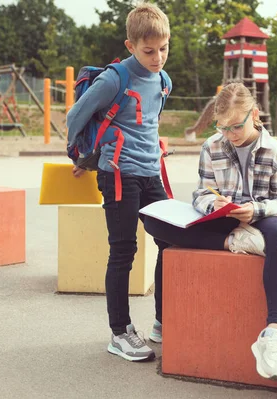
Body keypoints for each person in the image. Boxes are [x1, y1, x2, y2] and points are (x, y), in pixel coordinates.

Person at [143, 82, 277, 382]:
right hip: (225, 220)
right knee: (154, 222)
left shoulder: (274, 150)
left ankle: (272, 333)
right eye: (221, 127)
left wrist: (254, 210)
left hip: (260, 218)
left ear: (254, 115)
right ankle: (233, 241)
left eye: (235, 127)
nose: (228, 134)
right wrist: (212, 203)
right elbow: (200, 193)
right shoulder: (212, 146)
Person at [66, 2, 172, 363]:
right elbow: (76, 115)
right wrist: (82, 155)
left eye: (163, 49)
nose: (157, 57)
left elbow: (147, 123)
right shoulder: (115, 78)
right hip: (118, 174)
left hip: (150, 173)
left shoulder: (163, 80)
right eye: (148, 51)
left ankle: (162, 321)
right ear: (130, 46)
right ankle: (120, 332)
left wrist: (157, 146)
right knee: (124, 250)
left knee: (171, 243)